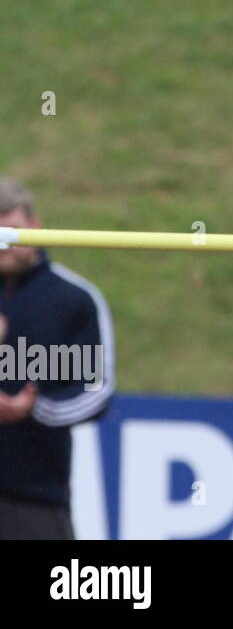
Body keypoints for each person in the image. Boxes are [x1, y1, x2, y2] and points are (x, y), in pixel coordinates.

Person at [0, 178, 116, 539]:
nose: (3, 242)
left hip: (34, 497)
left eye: (12, 230)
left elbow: (96, 393)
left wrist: (33, 409)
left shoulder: (73, 299)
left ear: (36, 228)